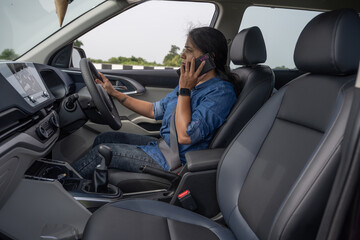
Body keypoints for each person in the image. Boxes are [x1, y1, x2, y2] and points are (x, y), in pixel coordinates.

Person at [72, 27, 238, 179]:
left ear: (208, 58)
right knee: (104, 138)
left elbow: (185, 135)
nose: (182, 55)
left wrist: (185, 90)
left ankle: (62, 184)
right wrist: (114, 93)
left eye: (188, 50)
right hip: (163, 146)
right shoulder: (191, 83)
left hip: (173, 161)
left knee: (99, 154)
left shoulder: (221, 93)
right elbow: (153, 110)